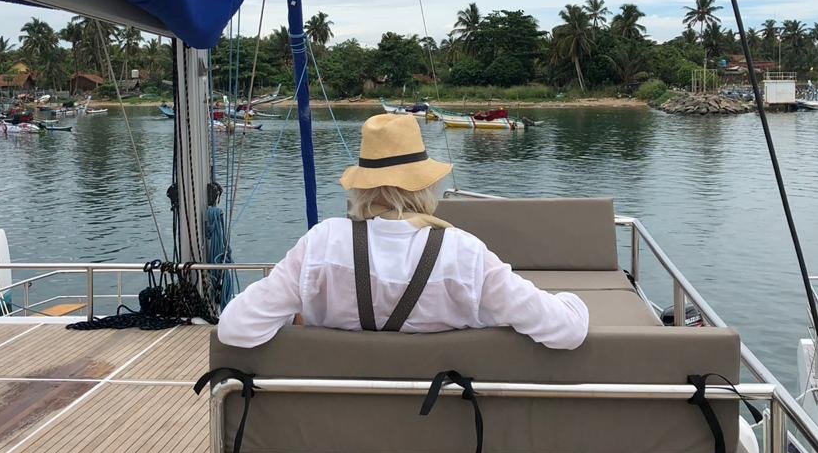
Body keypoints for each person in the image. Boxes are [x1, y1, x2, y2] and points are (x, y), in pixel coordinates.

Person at [217, 114, 589, 349]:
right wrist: (573, 300)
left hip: (332, 438)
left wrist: (294, 315)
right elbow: (567, 331)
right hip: (447, 443)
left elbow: (234, 329)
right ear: (425, 184)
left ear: (361, 185)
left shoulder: (322, 244)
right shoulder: (463, 253)